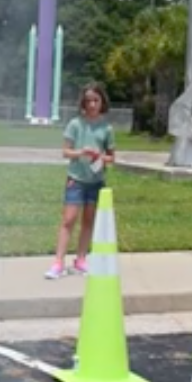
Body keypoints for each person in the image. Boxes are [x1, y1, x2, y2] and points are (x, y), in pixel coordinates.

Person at [45, 82, 116, 280]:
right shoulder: (76, 124)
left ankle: (81, 259)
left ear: (102, 102)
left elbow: (112, 156)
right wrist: (81, 152)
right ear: (83, 103)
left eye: (96, 100)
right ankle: (58, 262)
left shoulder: (107, 128)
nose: (92, 104)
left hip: (96, 180)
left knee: (88, 220)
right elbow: (65, 151)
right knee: (68, 220)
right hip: (76, 179)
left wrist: (100, 157)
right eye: (88, 101)